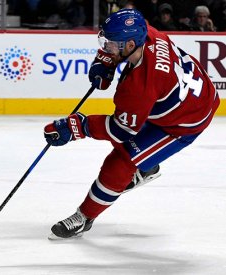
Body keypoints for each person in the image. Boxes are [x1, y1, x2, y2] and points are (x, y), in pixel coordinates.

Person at [43, 9, 220, 239]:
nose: (106, 47)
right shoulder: (147, 33)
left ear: (129, 45)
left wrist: (77, 126)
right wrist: (105, 60)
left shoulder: (140, 86)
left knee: (122, 161)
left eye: (111, 45)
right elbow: (121, 52)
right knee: (133, 154)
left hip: (184, 122)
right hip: (189, 96)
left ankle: (84, 217)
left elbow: (120, 130)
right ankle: (147, 165)